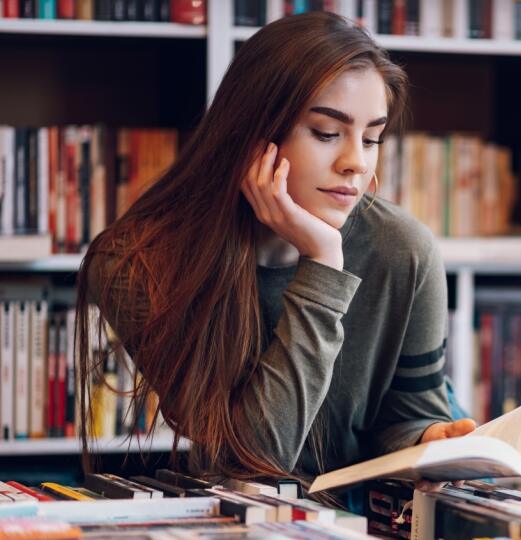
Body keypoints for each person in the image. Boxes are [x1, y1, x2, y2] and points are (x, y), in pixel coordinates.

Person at [76, 11, 476, 495]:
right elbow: (255, 461)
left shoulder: (403, 250)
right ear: (252, 132)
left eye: (372, 138)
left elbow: (408, 418)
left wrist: (434, 438)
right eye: (328, 133)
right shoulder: (134, 263)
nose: (356, 162)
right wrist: (323, 265)